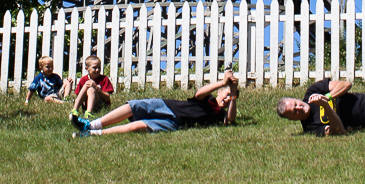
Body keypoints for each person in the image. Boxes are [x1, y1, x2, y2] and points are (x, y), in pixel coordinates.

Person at [70, 69, 239, 138]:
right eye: (225, 95)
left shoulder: (220, 115)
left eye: (229, 98)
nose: (226, 99)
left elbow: (230, 120)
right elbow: (198, 93)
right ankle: (91, 124)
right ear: (219, 92)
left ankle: (92, 134)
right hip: (168, 106)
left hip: (174, 123)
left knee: (139, 126)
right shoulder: (208, 99)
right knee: (133, 106)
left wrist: (233, 96)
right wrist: (222, 83)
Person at [71, 55, 113, 119]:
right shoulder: (83, 79)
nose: (97, 70)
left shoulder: (104, 79)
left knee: (91, 89)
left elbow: (107, 98)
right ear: (87, 68)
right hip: (86, 103)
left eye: (99, 67)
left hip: (100, 104)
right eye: (94, 68)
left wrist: (96, 88)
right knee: (86, 85)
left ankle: (89, 113)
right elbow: (78, 96)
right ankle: (74, 110)